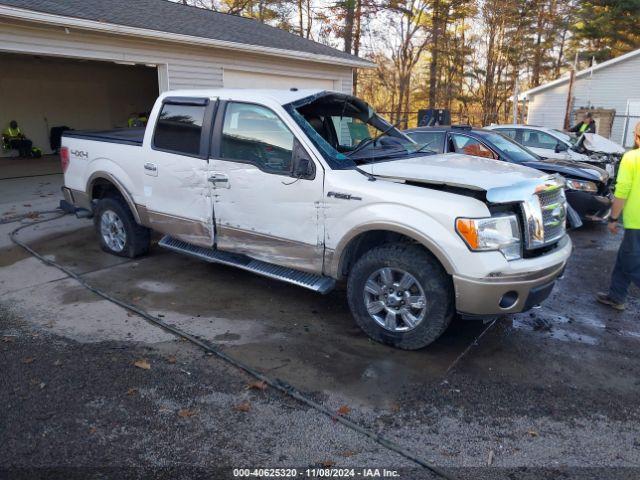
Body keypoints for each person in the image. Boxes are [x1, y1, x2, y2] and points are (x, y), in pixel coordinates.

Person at [596, 122, 640, 310]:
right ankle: (616, 296)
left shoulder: (632, 158)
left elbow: (622, 191)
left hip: (636, 222)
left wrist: (613, 219)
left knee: (632, 263)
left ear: (637, 136)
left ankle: (616, 296)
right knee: (624, 258)